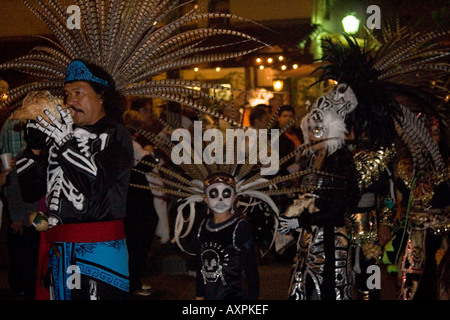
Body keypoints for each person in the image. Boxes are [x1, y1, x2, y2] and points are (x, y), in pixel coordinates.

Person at [16, 59, 134, 300]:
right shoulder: (60, 135)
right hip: (59, 249)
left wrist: (63, 142)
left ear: (102, 97)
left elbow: (93, 183)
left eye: (79, 93)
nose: (70, 101)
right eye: (67, 94)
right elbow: (30, 192)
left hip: (100, 252)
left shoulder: (115, 134)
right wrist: (34, 150)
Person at [279, 105, 359, 300]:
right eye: (308, 129)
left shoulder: (340, 164)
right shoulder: (312, 160)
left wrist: (300, 221)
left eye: (317, 129)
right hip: (307, 243)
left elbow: (336, 211)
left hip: (330, 244)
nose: (310, 135)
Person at [195, 172, 259, 300]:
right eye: (214, 194)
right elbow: (199, 265)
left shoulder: (241, 227)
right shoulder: (203, 226)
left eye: (226, 193)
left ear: (234, 197)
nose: (220, 199)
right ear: (205, 198)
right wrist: (199, 295)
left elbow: (251, 270)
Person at [0, 118, 40, 300]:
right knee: (24, 265)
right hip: (26, 222)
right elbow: (15, 192)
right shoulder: (25, 159)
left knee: (31, 263)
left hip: (34, 220)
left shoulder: (34, 158)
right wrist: (18, 218)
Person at [122, 109, 160, 297]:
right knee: (137, 241)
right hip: (136, 199)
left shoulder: (128, 143)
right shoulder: (130, 144)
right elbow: (139, 169)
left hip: (135, 198)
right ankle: (133, 282)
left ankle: (134, 280)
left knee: (137, 240)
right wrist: (151, 154)